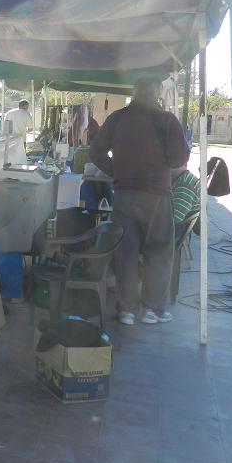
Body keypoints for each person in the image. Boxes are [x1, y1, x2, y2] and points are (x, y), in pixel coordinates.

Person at [91, 77, 190, 326]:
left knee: (126, 253)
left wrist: (115, 170)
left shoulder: (117, 118)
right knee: (159, 252)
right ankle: (152, 310)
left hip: (124, 194)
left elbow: (96, 152)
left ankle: (126, 310)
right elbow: (179, 159)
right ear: (157, 92)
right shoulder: (167, 120)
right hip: (156, 194)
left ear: (134, 92)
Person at [171, 165, 200, 233]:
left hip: (173, 232)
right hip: (174, 226)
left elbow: (175, 219)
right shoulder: (183, 177)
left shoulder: (185, 184)